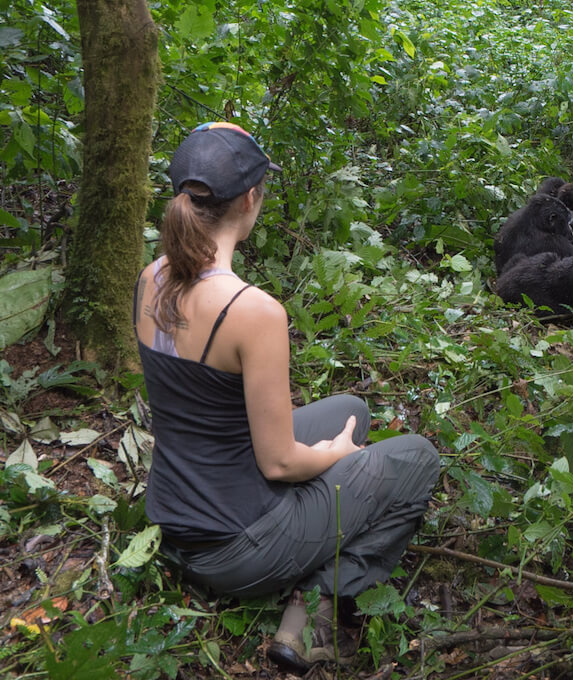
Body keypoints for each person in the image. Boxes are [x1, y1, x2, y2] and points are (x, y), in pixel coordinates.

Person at [132, 122, 440, 673]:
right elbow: (279, 462)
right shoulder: (252, 311)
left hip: (174, 520)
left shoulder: (148, 278)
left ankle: (312, 541)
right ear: (250, 199)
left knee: (352, 410)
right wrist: (338, 458)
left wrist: (333, 445)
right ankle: (313, 605)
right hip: (233, 548)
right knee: (417, 457)